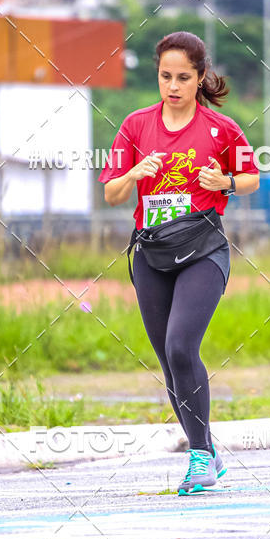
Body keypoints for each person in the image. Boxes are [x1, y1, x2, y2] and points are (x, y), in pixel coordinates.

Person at [99, 31, 259, 493]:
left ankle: (199, 458)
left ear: (200, 78)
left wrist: (224, 180)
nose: (173, 86)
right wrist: (133, 172)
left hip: (203, 249)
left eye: (183, 77)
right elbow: (111, 192)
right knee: (169, 362)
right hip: (152, 253)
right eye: (165, 76)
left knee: (181, 346)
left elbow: (251, 178)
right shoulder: (135, 125)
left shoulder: (220, 129)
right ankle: (206, 450)